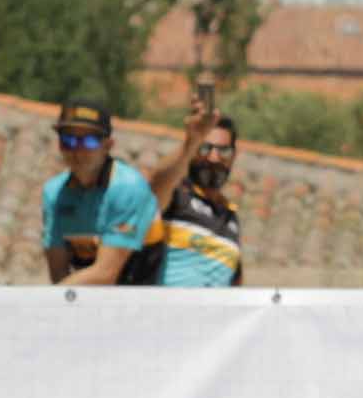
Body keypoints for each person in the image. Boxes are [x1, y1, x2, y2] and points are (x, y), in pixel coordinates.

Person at [128, 87, 247, 287]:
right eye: (204, 148)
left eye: (223, 151)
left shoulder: (230, 218)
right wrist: (191, 141)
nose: (213, 158)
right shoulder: (176, 196)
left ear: (234, 156)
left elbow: (236, 284)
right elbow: (156, 187)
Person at [40, 99, 157, 286]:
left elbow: (105, 273)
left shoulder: (127, 188)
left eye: (88, 141)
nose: (77, 150)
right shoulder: (54, 193)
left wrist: (47, 299)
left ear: (108, 145)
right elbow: (58, 270)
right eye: (68, 140)